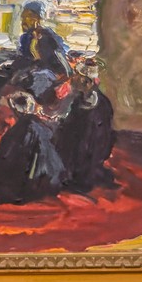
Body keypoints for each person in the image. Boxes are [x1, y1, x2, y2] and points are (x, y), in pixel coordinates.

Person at [0, 91, 67, 204]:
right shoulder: (44, 128)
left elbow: (4, 160)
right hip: (46, 185)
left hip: (21, 189)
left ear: (15, 111)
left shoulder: (17, 132)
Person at [0, 0, 72, 107]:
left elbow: (45, 63)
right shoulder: (25, 38)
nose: (23, 21)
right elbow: (21, 57)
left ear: (37, 19)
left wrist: (33, 53)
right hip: (27, 67)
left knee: (24, 78)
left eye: (28, 17)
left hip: (46, 72)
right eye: (23, 18)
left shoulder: (45, 38)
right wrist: (2, 65)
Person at [54, 58, 116, 192]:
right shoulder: (81, 99)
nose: (73, 79)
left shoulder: (99, 106)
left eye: (77, 77)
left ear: (87, 82)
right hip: (83, 147)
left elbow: (91, 136)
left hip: (88, 150)